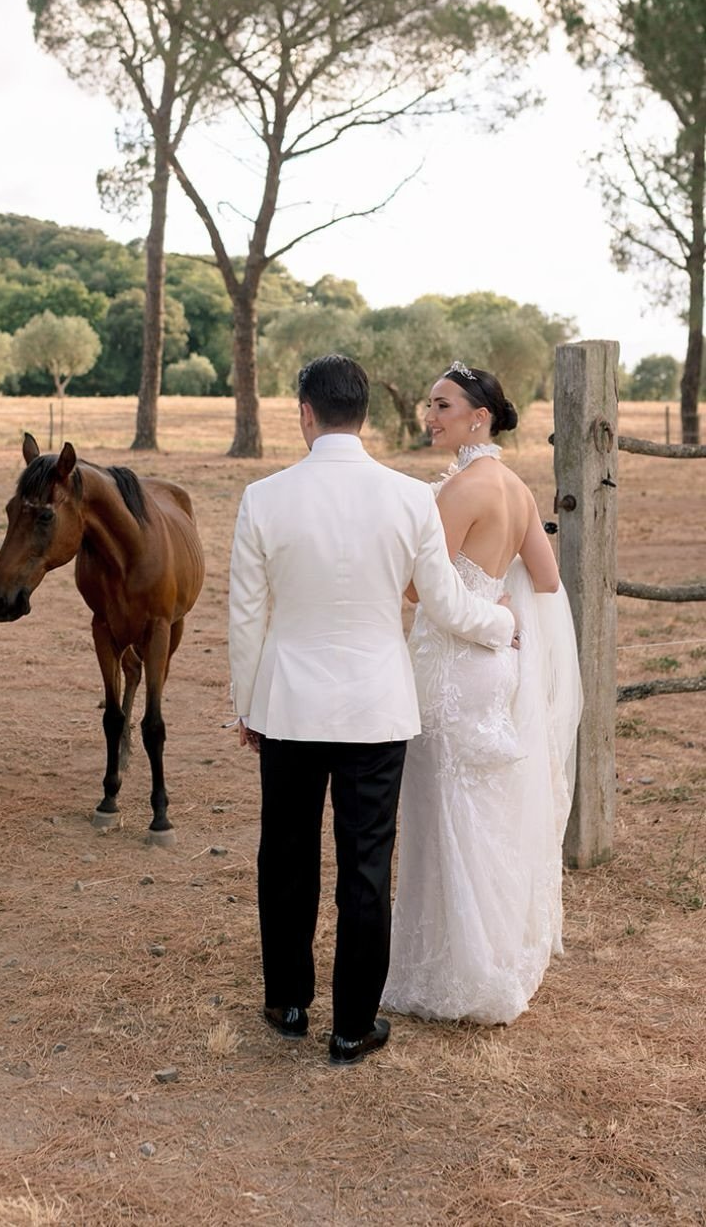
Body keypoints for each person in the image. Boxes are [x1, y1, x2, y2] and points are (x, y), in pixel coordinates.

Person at [227, 355, 519, 1067]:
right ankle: (353, 1025)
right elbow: (446, 603)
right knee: (366, 865)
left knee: (287, 854)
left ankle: (288, 1001)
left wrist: (247, 705)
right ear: (361, 414)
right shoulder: (410, 497)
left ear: (305, 413)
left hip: (290, 705)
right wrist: (501, 626)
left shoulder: (264, 498)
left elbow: (245, 617)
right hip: (378, 707)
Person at [381, 362, 582, 1026]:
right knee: (483, 808)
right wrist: (500, 599)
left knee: (444, 810)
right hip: (497, 666)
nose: (429, 416)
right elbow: (547, 579)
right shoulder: (518, 488)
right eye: (428, 404)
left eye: (442, 405)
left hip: (450, 663)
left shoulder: (461, 489)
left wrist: (468, 596)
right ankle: (493, 955)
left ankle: (454, 970)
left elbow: (418, 590)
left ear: (479, 417)